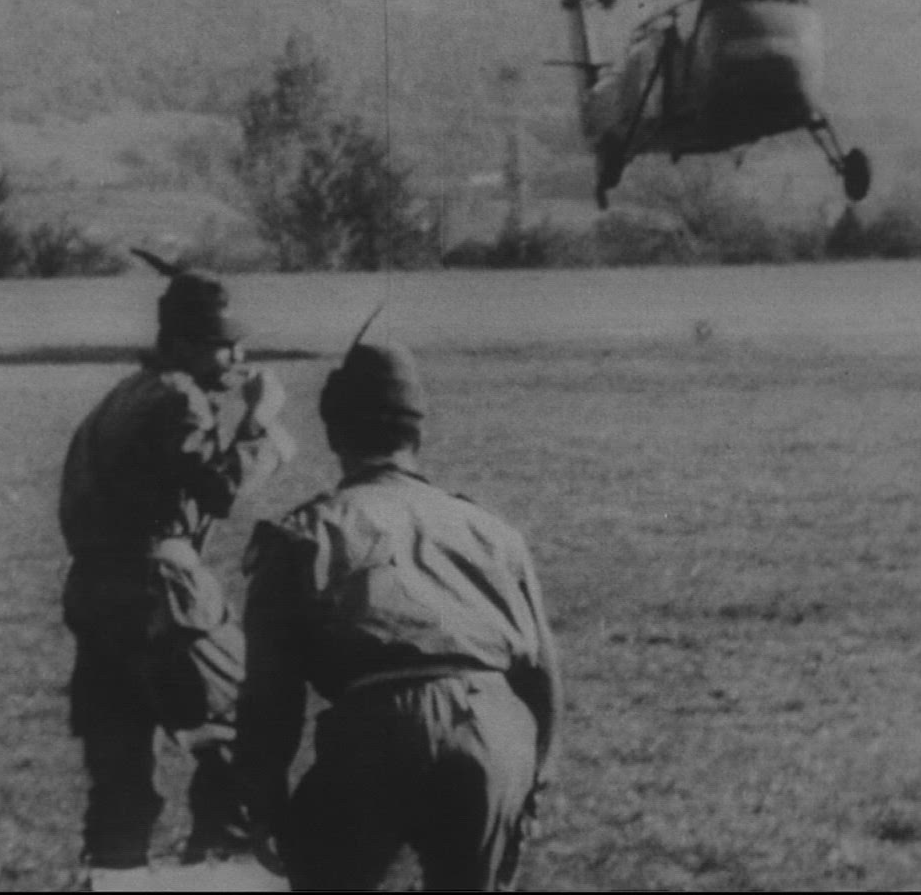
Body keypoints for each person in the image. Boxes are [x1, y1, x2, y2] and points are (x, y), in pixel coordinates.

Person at [234, 338, 563, 891]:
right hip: (494, 727)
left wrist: (264, 803)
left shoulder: (305, 533)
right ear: (419, 434)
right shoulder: (492, 530)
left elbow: (271, 694)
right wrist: (533, 782)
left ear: (335, 434)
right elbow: (542, 676)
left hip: (379, 728)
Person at [56, 254, 298, 871]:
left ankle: (114, 877)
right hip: (162, 592)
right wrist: (262, 427)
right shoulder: (180, 399)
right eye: (224, 344)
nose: (239, 358)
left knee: (120, 778)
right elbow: (220, 492)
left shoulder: (124, 396)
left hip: (96, 596)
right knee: (243, 735)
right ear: (183, 343)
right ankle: (220, 874)